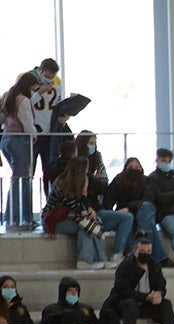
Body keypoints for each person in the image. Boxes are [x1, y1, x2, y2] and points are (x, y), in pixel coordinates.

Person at [75, 131, 134, 265]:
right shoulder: (77, 164)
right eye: (91, 143)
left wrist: (94, 181)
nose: (93, 146)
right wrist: (93, 181)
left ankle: (117, 254)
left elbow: (103, 184)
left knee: (128, 217)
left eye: (94, 144)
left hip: (97, 206)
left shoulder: (97, 157)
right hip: (86, 209)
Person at [100, 235, 174, 324]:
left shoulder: (154, 266)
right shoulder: (125, 266)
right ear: (135, 252)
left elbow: (161, 284)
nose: (145, 254)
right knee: (131, 304)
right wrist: (146, 297)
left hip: (146, 305)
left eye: (148, 252)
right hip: (124, 303)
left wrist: (159, 294)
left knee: (166, 304)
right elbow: (123, 290)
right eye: (142, 251)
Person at [45, 157, 113, 270]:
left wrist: (89, 209)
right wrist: (84, 191)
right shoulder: (62, 185)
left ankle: (100, 259)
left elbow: (81, 207)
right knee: (85, 225)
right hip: (53, 221)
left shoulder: (73, 184)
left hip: (67, 217)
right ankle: (86, 260)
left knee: (89, 223)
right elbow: (78, 209)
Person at [105, 157, 172, 265]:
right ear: (125, 168)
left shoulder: (147, 181)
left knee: (146, 208)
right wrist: (112, 213)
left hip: (142, 212)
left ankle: (141, 232)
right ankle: (159, 257)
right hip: (126, 215)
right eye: (131, 167)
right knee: (144, 223)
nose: (134, 169)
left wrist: (129, 207)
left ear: (141, 168)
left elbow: (148, 198)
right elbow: (109, 198)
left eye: (136, 167)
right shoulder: (119, 180)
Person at [1, 73, 40, 226]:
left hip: (6, 139)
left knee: (18, 179)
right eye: (33, 89)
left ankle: (16, 217)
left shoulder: (8, 96)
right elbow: (28, 123)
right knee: (21, 181)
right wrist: (34, 135)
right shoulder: (23, 100)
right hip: (19, 141)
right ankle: (17, 218)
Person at [28, 58, 63, 189]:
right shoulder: (28, 80)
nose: (50, 79)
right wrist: (39, 92)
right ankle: (24, 200)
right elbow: (24, 105)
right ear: (40, 71)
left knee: (49, 170)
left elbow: (58, 103)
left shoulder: (57, 82)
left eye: (52, 77)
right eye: (47, 76)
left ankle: (50, 199)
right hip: (33, 133)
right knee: (28, 172)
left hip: (50, 133)